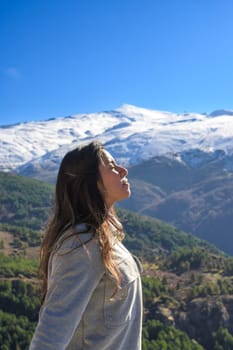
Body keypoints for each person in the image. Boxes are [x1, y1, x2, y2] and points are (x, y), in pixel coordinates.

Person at [29, 140, 143, 350]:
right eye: (111, 167)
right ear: (92, 183)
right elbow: (51, 332)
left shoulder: (101, 235)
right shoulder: (82, 244)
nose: (123, 170)